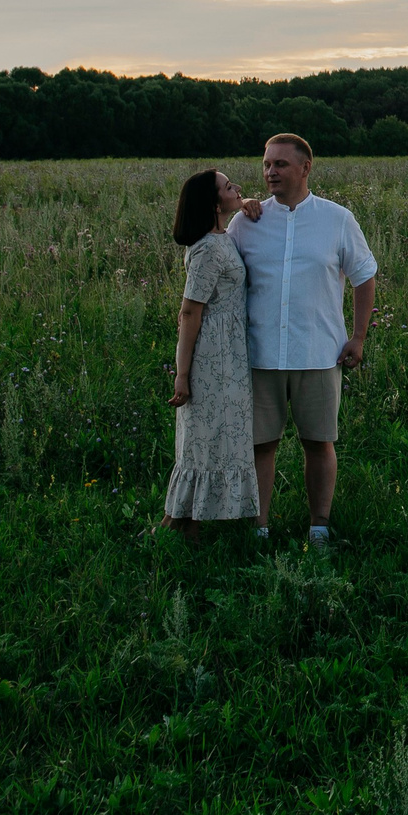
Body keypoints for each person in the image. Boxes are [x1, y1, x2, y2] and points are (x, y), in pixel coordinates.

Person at [226, 132, 378, 552]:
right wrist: (237, 205)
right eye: (267, 164)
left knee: (318, 441)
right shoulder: (248, 222)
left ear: (306, 168)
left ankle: (320, 527)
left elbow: (364, 276)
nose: (271, 172)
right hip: (260, 353)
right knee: (262, 444)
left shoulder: (337, 219)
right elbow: (216, 254)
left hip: (318, 351)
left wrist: (358, 336)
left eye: (281, 164)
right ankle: (259, 528)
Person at [161, 168, 260, 539]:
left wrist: (245, 204)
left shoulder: (223, 236)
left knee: (220, 437)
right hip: (212, 357)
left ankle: (197, 521)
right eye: (228, 187)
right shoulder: (206, 248)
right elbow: (189, 311)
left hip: (231, 354)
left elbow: (242, 210)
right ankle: (182, 525)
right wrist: (182, 373)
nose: (237, 188)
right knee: (205, 439)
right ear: (214, 201)